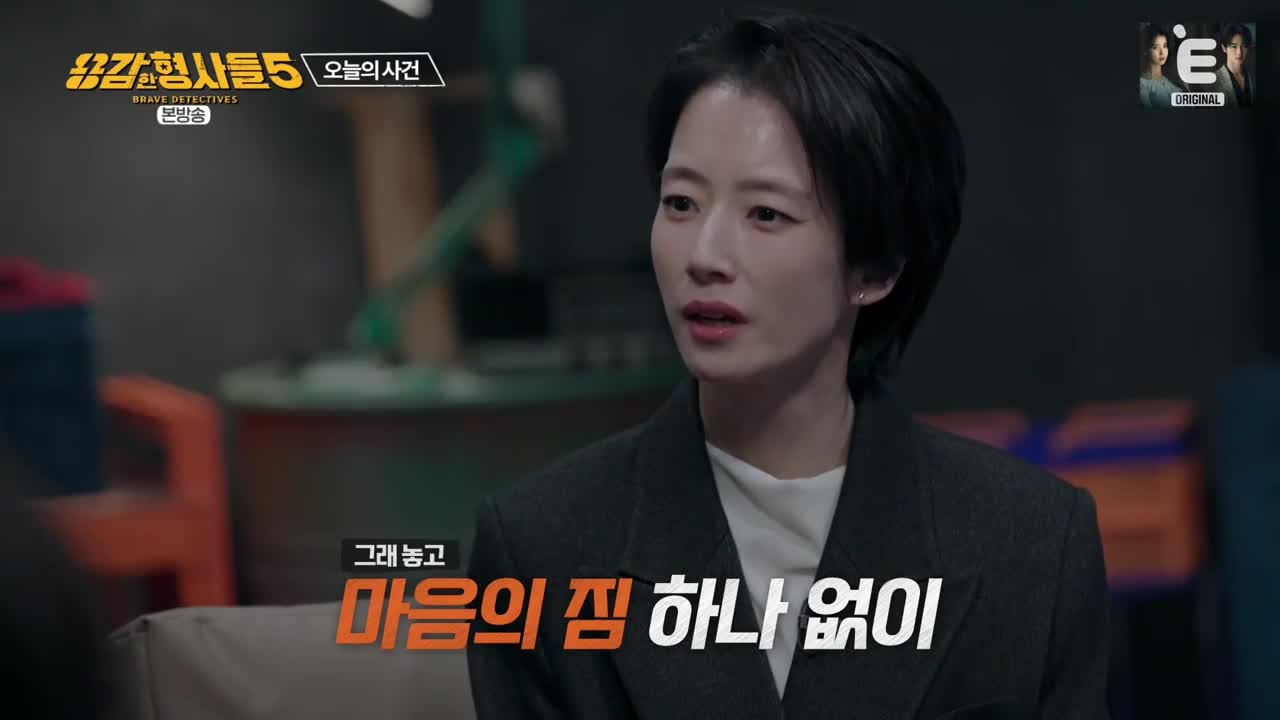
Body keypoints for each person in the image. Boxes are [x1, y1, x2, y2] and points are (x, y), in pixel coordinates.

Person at [466, 10, 1111, 719]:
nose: (705, 256)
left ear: (875, 267)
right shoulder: (539, 548)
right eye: (680, 203)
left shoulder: (1033, 545)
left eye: (766, 214)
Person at [1210, 23, 1254, 107]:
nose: (1239, 52)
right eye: (1234, 46)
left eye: (1243, 46)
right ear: (1224, 48)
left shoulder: (1252, 76)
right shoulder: (1214, 80)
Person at [1139, 24, 1181, 108]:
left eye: (1164, 46)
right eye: (1155, 47)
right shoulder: (1143, 84)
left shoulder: (1171, 81)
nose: (1162, 52)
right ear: (1146, 50)